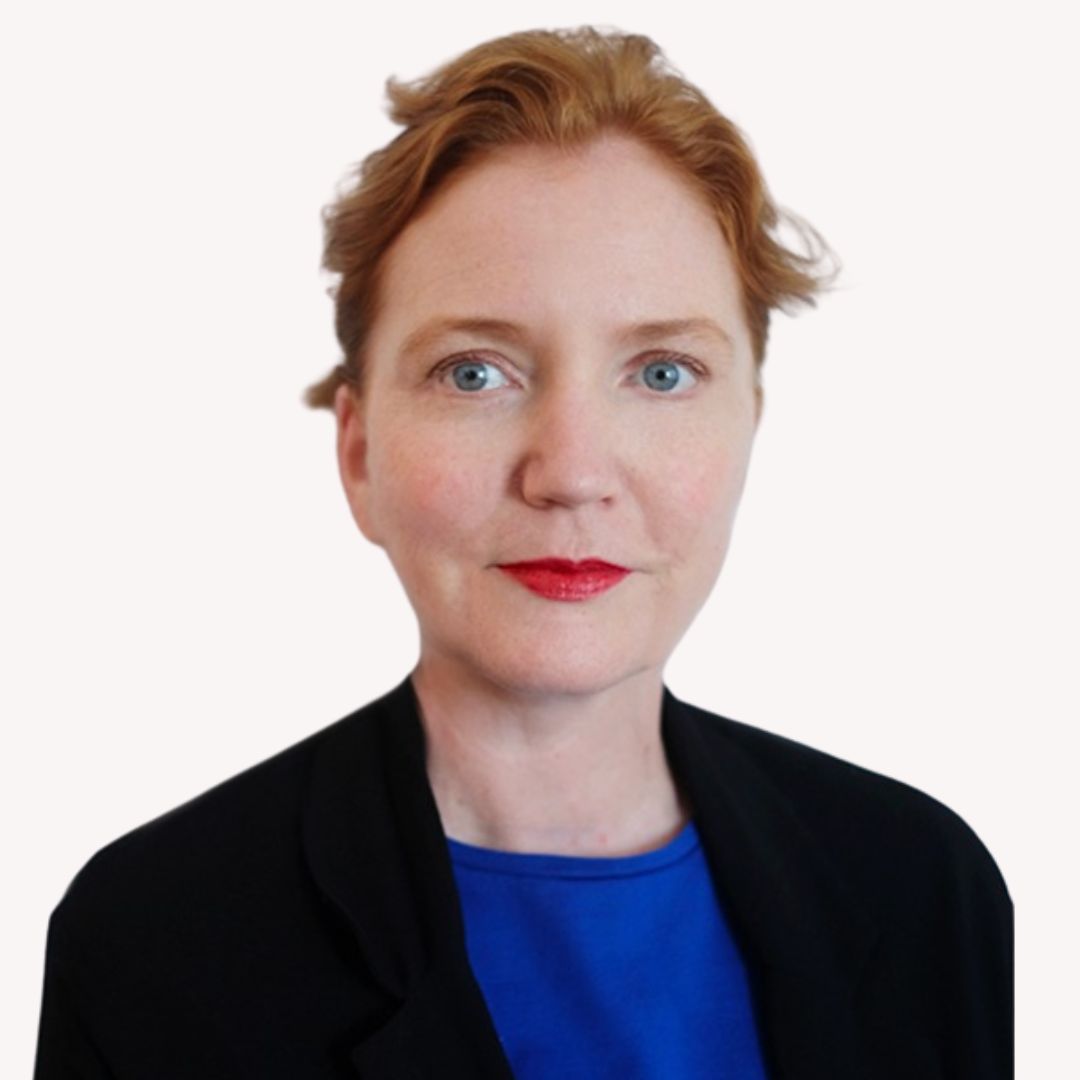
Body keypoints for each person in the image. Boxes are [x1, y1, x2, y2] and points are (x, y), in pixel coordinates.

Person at [33, 26, 1012, 1080]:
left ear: (749, 428)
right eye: (474, 373)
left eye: (663, 372)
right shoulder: (153, 945)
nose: (572, 472)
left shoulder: (929, 889)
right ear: (358, 455)